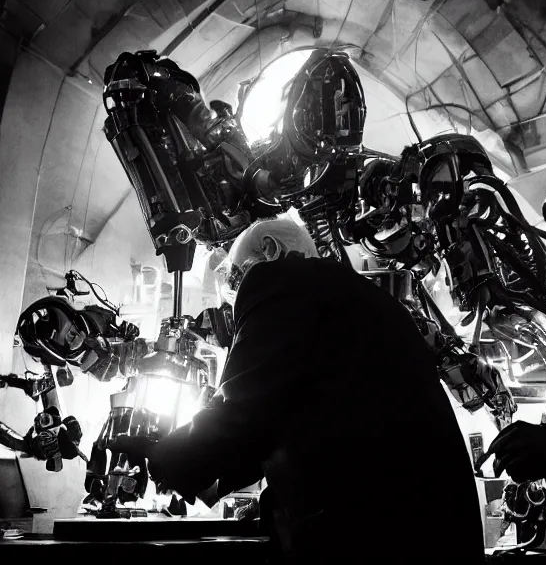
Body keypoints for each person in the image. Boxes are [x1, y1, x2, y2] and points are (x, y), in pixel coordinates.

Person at [114, 218, 484, 563]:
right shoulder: (354, 299)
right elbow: (281, 415)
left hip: (370, 544)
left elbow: (246, 408)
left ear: (270, 252)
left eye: (234, 280)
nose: (233, 300)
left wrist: (170, 456)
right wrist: (204, 475)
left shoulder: (282, 284)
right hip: (428, 534)